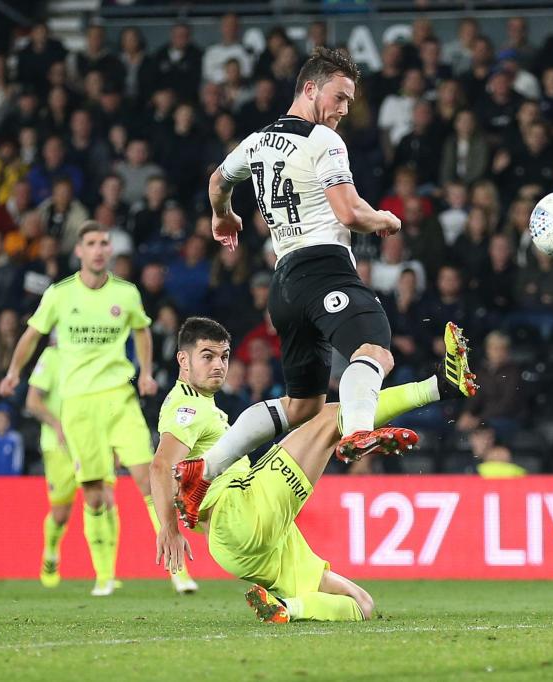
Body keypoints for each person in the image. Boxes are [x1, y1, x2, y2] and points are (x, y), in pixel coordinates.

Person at [178, 47, 463, 529]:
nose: (344, 110)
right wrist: (385, 221)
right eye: (340, 96)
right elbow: (350, 212)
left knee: (302, 405)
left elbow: (217, 181)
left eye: (350, 101)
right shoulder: (324, 142)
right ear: (310, 89)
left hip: (284, 285)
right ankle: (356, 432)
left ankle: (202, 471)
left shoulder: (256, 142)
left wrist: (222, 215)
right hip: (324, 269)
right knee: (375, 350)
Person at [151, 318, 475, 622]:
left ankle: (287, 608)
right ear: (183, 360)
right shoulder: (188, 406)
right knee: (329, 416)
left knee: (361, 604)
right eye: (207, 356)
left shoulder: (202, 406)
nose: (219, 365)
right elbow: (162, 464)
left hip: (242, 549)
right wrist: (169, 527)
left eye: (224, 356)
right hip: (239, 511)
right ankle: (439, 386)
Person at [0, 222, 160, 597]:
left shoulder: (123, 298)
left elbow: (140, 332)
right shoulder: (52, 356)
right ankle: (51, 551)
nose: (100, 250)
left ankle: (106, 574)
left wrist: (144, 373)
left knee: (104, 496)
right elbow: (33, 400)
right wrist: (17, 378)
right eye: (92, 244)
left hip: (98, 421)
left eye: (105, 243)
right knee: (60, 512)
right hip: (59, 441)